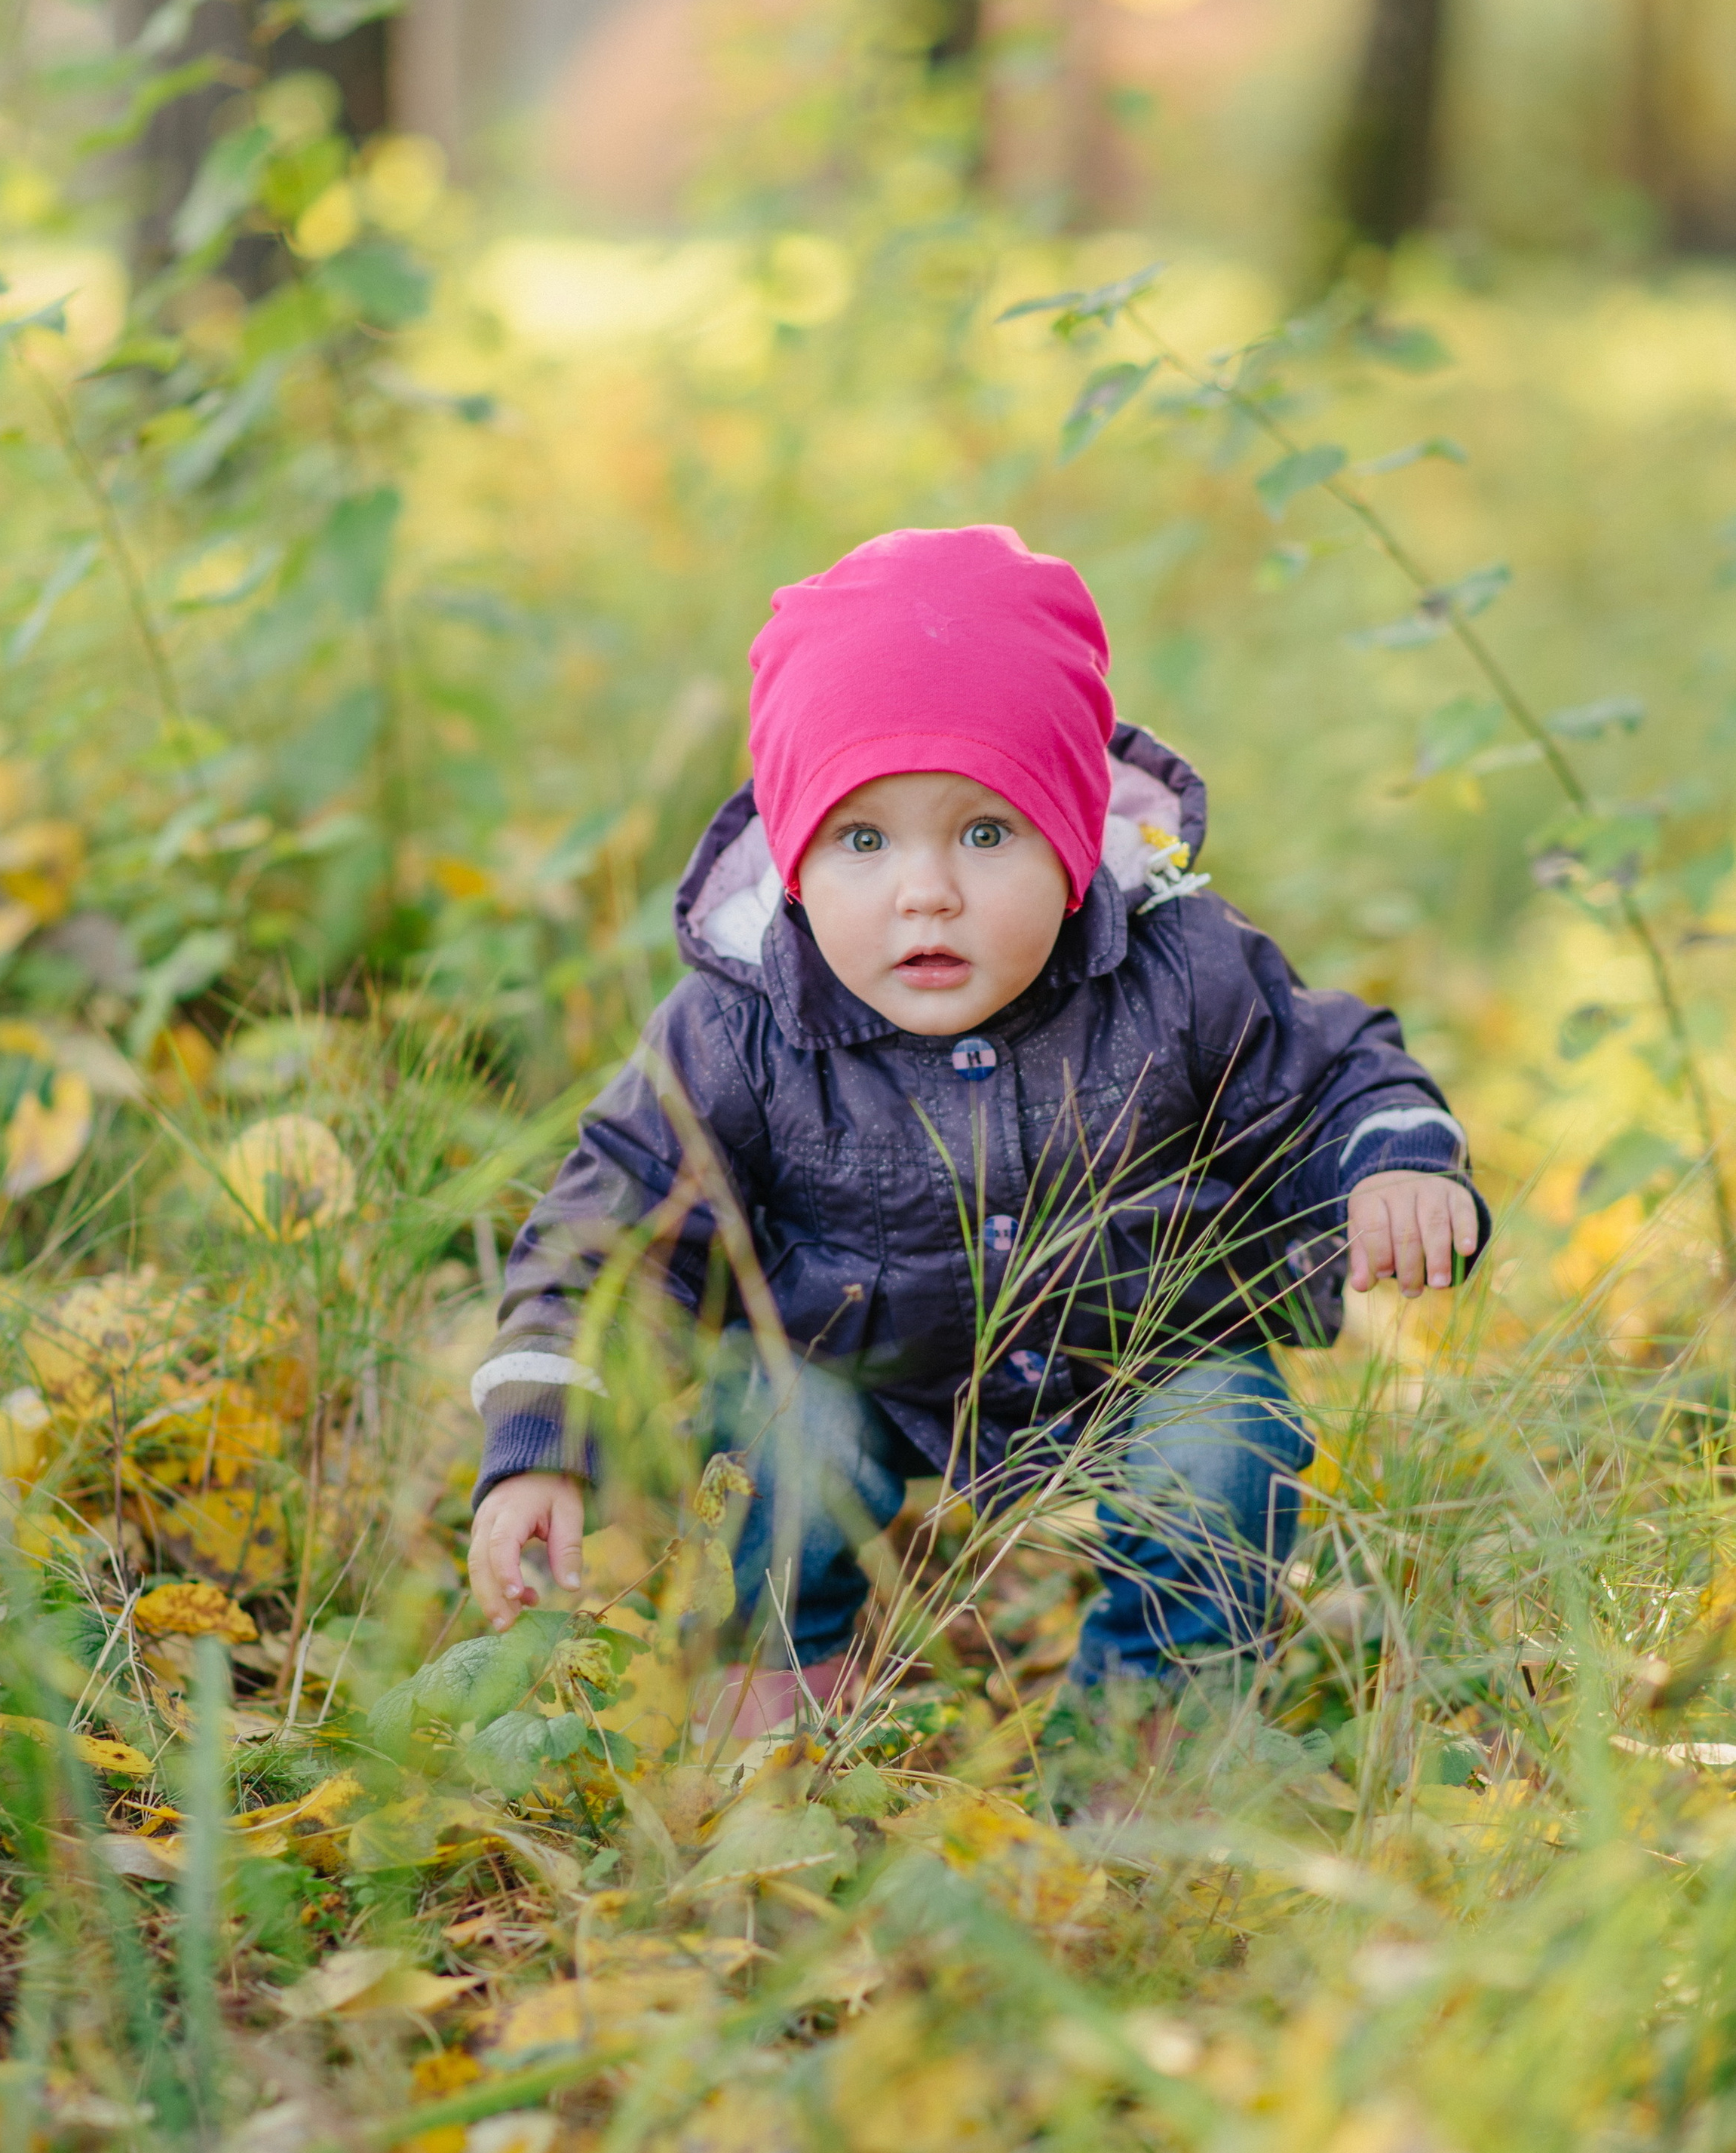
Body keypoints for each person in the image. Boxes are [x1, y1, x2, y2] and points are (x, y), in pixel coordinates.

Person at [464, 525, 1486, 1731]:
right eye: (863, 839)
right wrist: (539, 1441)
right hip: (852, 1365)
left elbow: (1332, 1070)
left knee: (1224, 1439)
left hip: (1140, 1353)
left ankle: (1151, 1725)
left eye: (986, 832)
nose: (926, 890)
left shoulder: (1185, 970)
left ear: (1069, 836)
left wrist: (1399, 1161)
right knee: (777, 1434)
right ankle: (770, 1683)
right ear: (793, 863)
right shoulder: (739, 1025)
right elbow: (610, 1225)